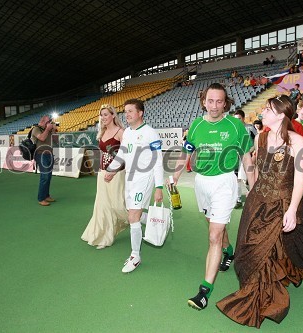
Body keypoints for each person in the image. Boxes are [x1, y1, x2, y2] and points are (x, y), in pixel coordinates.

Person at [216, 94, 303, 329]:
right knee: (246, 248)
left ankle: (261, 295)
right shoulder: (260, 138)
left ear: (281, 114)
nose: (262, 112)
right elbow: (256, 172)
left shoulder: (296, 141)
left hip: (281, 202)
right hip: (257, 202)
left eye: (268, 109)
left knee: (265, 252)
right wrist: (253, 193)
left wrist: (292, 210)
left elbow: (301, 179)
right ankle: (260, 284)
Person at [171, 83, 255, 310]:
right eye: (211, 101)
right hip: (201, 183)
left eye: (219, 101)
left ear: (225, 102)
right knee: (215, 227)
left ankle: (204, 292)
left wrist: (253, 186)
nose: (215, 106)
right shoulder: (196, 125)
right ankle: (229, 252)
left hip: (224, 183)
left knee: (213, 235)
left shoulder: (236, 126)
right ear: (204, 101)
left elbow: (247, 158)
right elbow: (186, 152)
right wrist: (175, 175)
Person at [106, 99, 164, 273]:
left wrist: (159, 186)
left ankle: (135, 256)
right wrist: (111, 170)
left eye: (131, 111)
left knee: (133, 216)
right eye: (125, 111)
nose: (127, 114)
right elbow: (122, 154)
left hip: (144, 179)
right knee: (132, 213)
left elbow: (158, 161)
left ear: (140, 113)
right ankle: (157, 222)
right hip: (129, 178)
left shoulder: (150, 133)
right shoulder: (127, 133)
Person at [81, 104, 128, 249]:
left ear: (113, 115)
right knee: (102, 205)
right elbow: (103, 154)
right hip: (102, 173)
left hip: (117, 174)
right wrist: (101, 170)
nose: (103, 118)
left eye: (106, 114)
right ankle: (102, 236)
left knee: (117, 204)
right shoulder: (102, 132)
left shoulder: (122, 132)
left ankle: (139, 219)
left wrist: (113, 171)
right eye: (101, 115)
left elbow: (126, 154)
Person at [32, 115, 58, 206]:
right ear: (43, 121)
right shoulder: (36, 129)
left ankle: (46, 195)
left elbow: (56, 141)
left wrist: (54, 130)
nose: (50, 123)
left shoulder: (49, 130)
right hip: (41, 154)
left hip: (49, 154)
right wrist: (47, 129)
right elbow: (42, 138)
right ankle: (41, 198)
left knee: (49, 176)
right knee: (45, 176)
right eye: (48, 121)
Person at [233, 109, 255, 209]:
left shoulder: (250, 128)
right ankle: (237, 199)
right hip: (236, 157)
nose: (237, 121)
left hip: (248, 156)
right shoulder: (232, 129)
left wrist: (251, 150)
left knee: (247, 179)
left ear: (243, 118)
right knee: (236, 178)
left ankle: (252, 195)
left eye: (239, 119)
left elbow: (257, 140)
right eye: (235, 119)